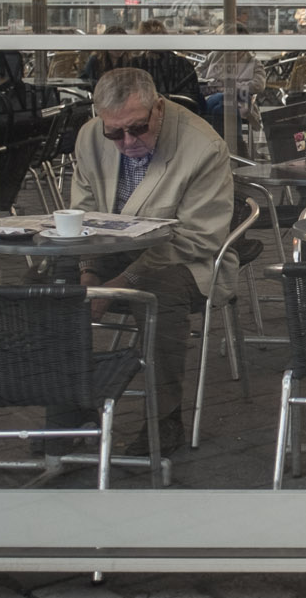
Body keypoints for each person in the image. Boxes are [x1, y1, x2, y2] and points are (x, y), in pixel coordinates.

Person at [67, 66, 235, 456]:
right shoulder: (92, 136)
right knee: (47, 286)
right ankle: (68, 408)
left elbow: (198, 238)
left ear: (159, 108)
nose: (126, 141)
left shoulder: (202, 146)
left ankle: (164, 418)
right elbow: (84, 211)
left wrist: (120, 282)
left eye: (137, 128)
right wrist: (88, 271)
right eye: (115, 132)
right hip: (109, 250)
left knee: (158, 296)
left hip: (186, 258)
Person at [81, 19, 209, 112]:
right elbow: (196, 99)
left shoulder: (135, 66)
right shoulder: (183, 64)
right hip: (182, 117)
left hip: (145, 118)